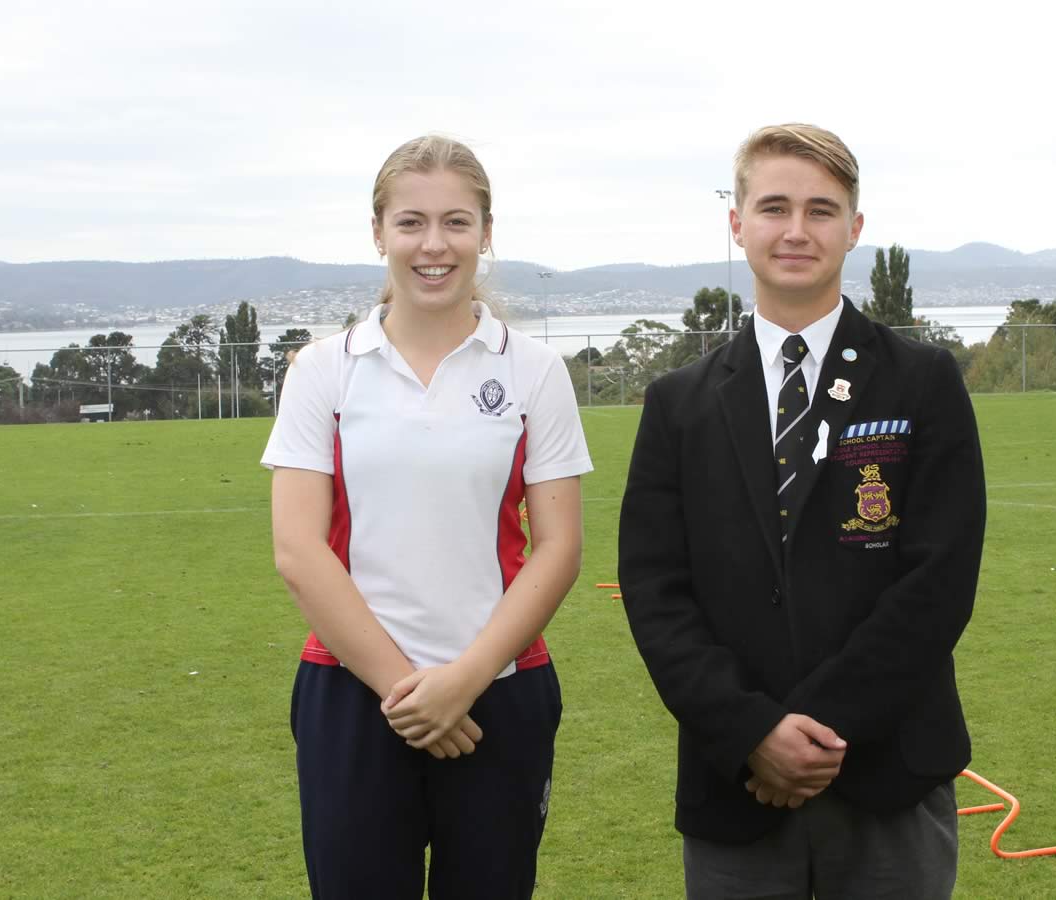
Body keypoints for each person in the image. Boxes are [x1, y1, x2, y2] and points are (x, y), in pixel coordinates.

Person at [618, 123, 986, 898]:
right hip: (736, 786)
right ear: (737, 223)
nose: (795, 230)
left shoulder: (922, 382)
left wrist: (818, 732)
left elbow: (939, 582)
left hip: (891, 776)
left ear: (855, 227)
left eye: (821, 210)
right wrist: (753, 733)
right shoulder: (677, 405)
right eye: (774, 206)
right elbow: (656, 594)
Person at [262, 134, 592, 899]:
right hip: (350, 695)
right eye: (411, 223)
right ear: (378, 232)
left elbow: (560, 547)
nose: (433, 245)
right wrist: (406, 691)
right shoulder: (323, 370)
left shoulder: (534, 371)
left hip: (500, 692)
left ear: (485, 232)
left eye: (456, 222)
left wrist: (464, 681)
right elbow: (297, 549)